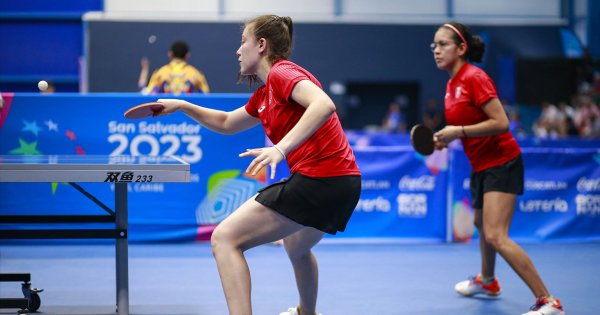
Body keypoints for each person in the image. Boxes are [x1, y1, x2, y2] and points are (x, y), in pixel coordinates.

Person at [154, 15, 361, 315]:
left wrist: (281, 148)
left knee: (224, 238)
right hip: (343, 183)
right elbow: (226, 123)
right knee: (296, 246)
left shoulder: (282, 73)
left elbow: (323, 104)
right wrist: (183, 105)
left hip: (322, 179)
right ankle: (307, 312)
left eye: (243, 42)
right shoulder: (265, 95)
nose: (238, 51)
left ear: (261, 45)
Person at [430, 22, 566, 315]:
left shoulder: (474, 77)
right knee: (481, 225)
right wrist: (447, 137)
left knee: (495, 235)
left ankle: (549, 301)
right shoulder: (451, 84)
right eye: (434, 46)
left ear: (462, 48)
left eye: (443, 44)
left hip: (502, 161)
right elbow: (467, 126)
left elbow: (501, 122)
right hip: (480, 164)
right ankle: (488, 281)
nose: (437, 51)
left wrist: (459, 132)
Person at [141, 40, 210, 95]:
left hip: (166, 111)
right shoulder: (196, 74)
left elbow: (149, 95)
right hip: (187, 111)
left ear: (170, 54)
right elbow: (206, 96)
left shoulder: (160, 73)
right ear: (187, 55)